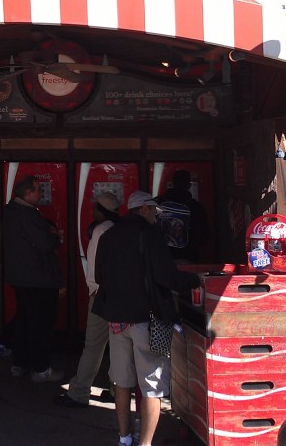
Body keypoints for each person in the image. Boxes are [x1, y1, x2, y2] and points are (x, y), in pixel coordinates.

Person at [92, 190, 201, 446]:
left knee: (121, 381)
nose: (156, 216)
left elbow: (99, 276)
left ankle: (124, 438)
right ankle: (145, 443)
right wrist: (195, 279)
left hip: (116, 320)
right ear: (143, 209)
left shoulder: (108, 236)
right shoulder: (150, 234)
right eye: (153, 211)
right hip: (147, 319)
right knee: (152, 385)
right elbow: (167, 277)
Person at [54, 191, 121, 408]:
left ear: (101, 210)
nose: (91, 210)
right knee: (119, 346)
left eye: (94, 207)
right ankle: (117, 391)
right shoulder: (122, 228)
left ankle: (79, 392)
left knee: (93, 345)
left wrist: (93, 291)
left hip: (101, 296)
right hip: (121, 296)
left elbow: (93, 269)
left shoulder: (99, 231)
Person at [2, 175, 64, 383]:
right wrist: (56, 236)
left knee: (24, 321)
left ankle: (20, 364)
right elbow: (45, 244)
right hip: (38, 278)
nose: (41, 193)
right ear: (28, 193)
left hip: (20, 277)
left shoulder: (9, 212)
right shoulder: (28, 214)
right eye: (38, 190)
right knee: (40, 325)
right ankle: (41, 369)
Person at [158, 169, 210, 262]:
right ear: (189, 185)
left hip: (162, 255)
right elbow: (203, 235)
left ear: (172, 183)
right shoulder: (195, 206)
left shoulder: (158, 203)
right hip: (188, 255)